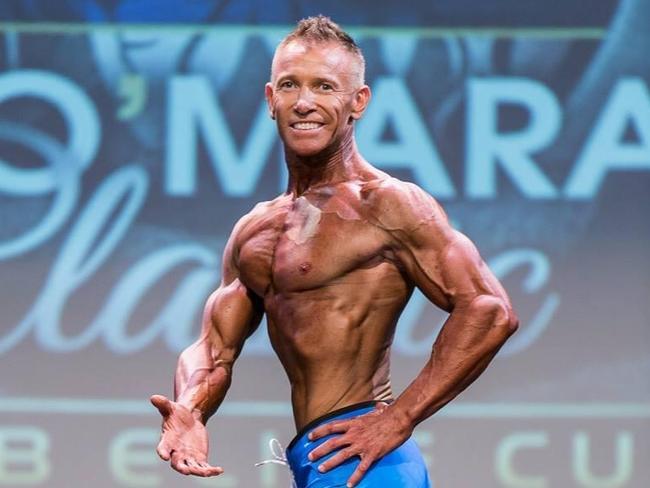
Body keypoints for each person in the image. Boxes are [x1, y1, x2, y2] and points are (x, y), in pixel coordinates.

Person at [150, 15, 518, 488]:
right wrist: (190, 410)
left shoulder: (388, 204)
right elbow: (214, 350)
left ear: (356, 102)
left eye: (324, 86)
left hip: (366, 460)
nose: (304, 102)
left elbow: (489, 309)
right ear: (270, 99)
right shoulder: (254, 231)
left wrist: (399, 417)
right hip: (318, 457)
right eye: (290, 85)